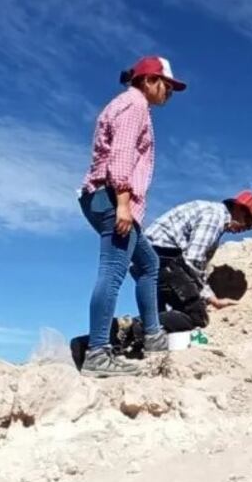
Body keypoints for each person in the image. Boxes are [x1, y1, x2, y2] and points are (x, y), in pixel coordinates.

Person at [77, 56, 186, 377]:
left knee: (149, 264)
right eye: (167, 86)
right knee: (113, 271)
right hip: (112, 198)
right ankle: (98, 353)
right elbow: (121, 154)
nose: (170, 93)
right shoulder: (134, 105)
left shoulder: (130, 105)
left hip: (107, 197)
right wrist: (123, 203)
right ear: (149, 80)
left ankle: (153, 337)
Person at [143, 191, 252, 332]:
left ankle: (131, 336)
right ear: (238, 207)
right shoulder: (215, 217)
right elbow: (193, 261)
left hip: (150, 257)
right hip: (164, 257)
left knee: (163, 314)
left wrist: (212, 299)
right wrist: (206, 297)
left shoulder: (212, 213)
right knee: (196, 317)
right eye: (249, 220)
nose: (246, 227)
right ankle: (128, 326)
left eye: (251, 226)